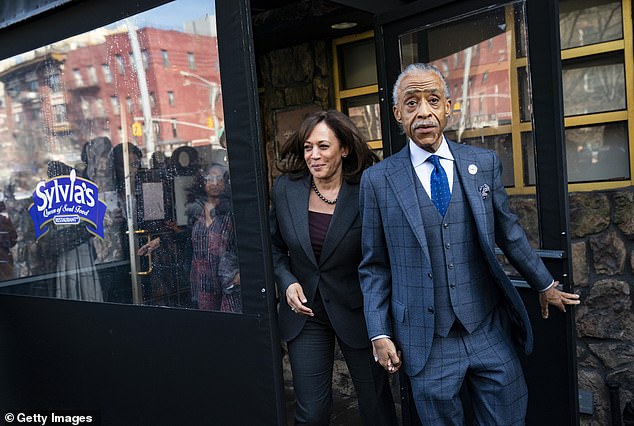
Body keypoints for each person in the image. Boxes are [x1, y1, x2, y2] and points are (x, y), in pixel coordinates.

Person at [357, 63, 581, 425]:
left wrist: (545, 283)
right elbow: (374, 265)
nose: (424, 112)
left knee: (508, 416)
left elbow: (508, 232)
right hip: (427, 340)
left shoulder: (483, 162)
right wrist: (379, 332)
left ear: (448, 106)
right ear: (398, 114)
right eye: (412, 103)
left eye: (433, 100)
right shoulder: (378, 180)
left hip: (486, 328)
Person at [270, 110, 397, 426]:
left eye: (323, 146)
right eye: (307, 147)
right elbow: (273, 247)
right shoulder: (286, 189)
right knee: (311, 412)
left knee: (375, 406)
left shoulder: (368, 191)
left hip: (358, 311)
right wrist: (286, 281)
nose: (313, 155)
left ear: (344, 149)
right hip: (306, 316)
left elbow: (382, 257)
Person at [138, 162, 241, 312]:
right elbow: (187, 236)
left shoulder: (232, 211)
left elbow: (245, 242)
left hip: (228, 279)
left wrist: (241, 274)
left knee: (230, 320)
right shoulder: (196, 210)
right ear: (202, 182)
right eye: (209, 178)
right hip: (202, 279)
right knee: (208, 324)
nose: (214, 183)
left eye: (219, 178)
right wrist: (157, 242)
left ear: (225, 182)